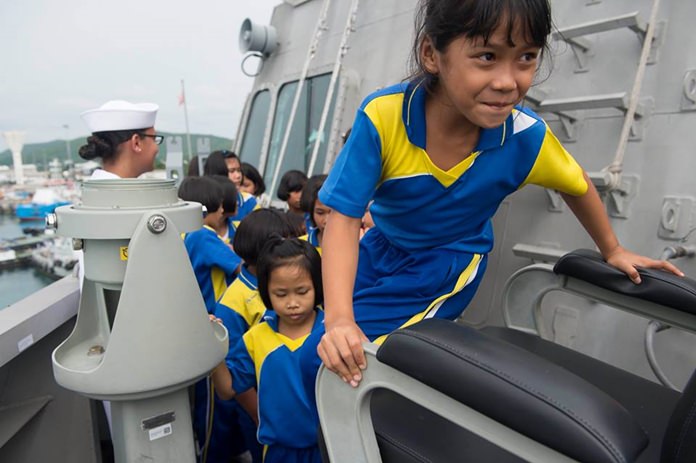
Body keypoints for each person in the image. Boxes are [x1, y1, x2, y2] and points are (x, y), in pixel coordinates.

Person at [304, 0, 684, 394]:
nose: (508, 81)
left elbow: (578, 184)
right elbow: (345, 218)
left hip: (445, 266)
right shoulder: (384, 118)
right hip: (382, 246)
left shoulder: (525, 138)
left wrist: (613, 249)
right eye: (487, 56)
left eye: (526, 58)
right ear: (431, 54)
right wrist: (338, 320)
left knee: (353, 368)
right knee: (314, 350)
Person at [212, 237, 324, 463]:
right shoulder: (256, 337)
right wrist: (211, 346)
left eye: (302, 291)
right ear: (266, 292)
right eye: (281, 294)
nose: (292, 302)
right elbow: (227, 389)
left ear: (318, 286)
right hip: (277, 452)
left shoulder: (331, 332)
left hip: (329, 448)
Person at [213, 209, 297, 463]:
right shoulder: (234, 301)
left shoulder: (286, 283)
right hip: (260, 406)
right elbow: (234, 373)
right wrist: (258, 414)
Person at [178, 176, 241, 314]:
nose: (222, 211)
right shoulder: (203, 235)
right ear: (208, 206)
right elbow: (239, 267)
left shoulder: (183, 233)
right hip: (215, 311)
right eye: (220, 205)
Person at [79, 100, 162, 179]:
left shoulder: (93, 189)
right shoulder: (124, 193)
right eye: (154, 139)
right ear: (136, 143)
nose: (157, 148)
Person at [299, 175, 330, 254]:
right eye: (320, 213)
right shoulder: (299, 246)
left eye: (333, 213)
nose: (326, 220)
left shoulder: (358, 247)